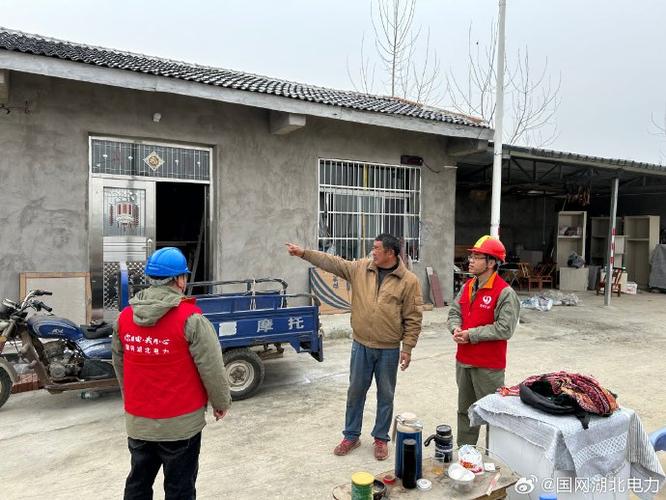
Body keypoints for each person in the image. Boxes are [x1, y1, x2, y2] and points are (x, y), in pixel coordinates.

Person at [286, 234, 423, 461]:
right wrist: (304, 253)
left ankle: (381, 438)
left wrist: (407, 348)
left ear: (390, 253)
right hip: (361, 345)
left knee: (386, 395)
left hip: (388, 348)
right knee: (356, 392)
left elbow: (413, 317)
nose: (372, 252)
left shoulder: (409, 281)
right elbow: (332, 262)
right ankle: (351, 436)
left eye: (377, 248)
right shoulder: (360, 269)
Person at [112, 247, 231, 500]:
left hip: (139, 423)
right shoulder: (191, 319)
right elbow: (211, 367)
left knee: (138, 484)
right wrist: (221, 402)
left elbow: (120, 364)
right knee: (179, 489)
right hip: (181, 426)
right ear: (179, 280)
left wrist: (130, 400)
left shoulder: (125, 318)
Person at [447, 235, 520, 446]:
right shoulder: (468, 286)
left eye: (477, 257)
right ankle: (465, 451)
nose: (470, 260)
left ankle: (494, 455)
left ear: (491, 263)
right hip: (464, 361)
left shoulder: (504, 293)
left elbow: (505, 328)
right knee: (465, 411)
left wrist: (471, 335)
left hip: (488, 367)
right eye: (471, 256)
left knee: (493, 414)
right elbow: (454, 312)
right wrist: (455, 327)